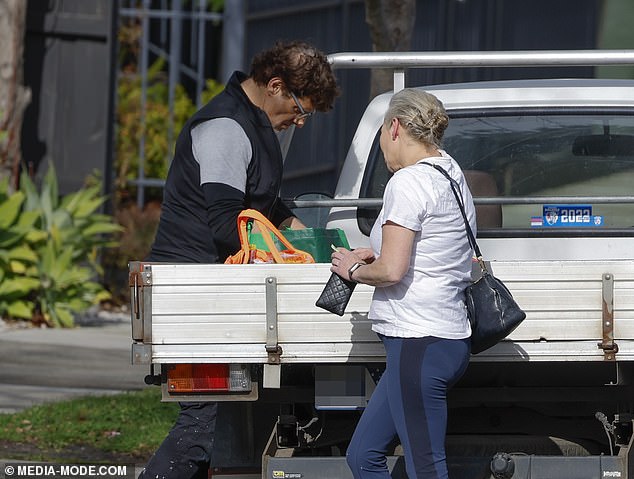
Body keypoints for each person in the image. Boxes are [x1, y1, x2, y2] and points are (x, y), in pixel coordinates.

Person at [139, 40, 339, 479]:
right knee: (202, 430)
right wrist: (286, 256)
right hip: (193, 289)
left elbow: (263, 207)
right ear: (274, 86)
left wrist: (303, 239)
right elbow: (227, 224)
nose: (300, 123)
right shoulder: (225, 129)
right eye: (300, 111)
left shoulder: (260, 126)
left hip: (221, 292)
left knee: (222, 434)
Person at [330, 88, 475, 479]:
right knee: (363, 456)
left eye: (380, 136)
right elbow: (428, 251)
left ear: (394, 127)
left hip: (419, 342)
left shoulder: (407, 182)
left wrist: (352, 270)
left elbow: (394, 271)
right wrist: (372, 254)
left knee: (426, 468)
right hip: (437, 340)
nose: (382, 148)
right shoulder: (450, 171)